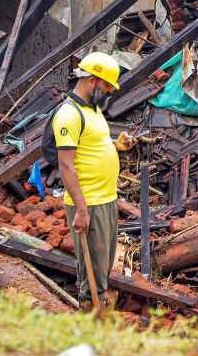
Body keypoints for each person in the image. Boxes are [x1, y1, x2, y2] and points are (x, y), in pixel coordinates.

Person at [54, 51, 121, 312]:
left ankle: (97, 312)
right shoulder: (68, 115)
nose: (108, 93)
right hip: (89, 203)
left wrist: (118, 146)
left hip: (106, 198)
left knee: (103, 264)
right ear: (92, 80)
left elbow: (91, 147)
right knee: (92, 272)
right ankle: (91, 320)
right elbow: (66, 164)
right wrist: (81, 210)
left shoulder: (92, 110)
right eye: (106, 86)